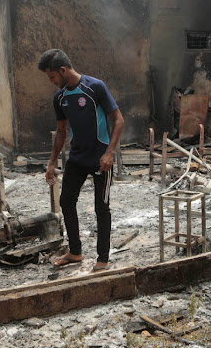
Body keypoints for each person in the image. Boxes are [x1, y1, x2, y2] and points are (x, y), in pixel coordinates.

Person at [39, 49, 124, 273]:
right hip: (77, 158)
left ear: (62, 70)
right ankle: (75, 252)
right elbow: (61, 132)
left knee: (101, 207)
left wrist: (110, 153)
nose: (51, 81)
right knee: (66, 201)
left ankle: (103, 258)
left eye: (52, 76)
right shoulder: (59, 97)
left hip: (101, 159)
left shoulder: (95, 87)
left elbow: (118, 120)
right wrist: (51, 163)